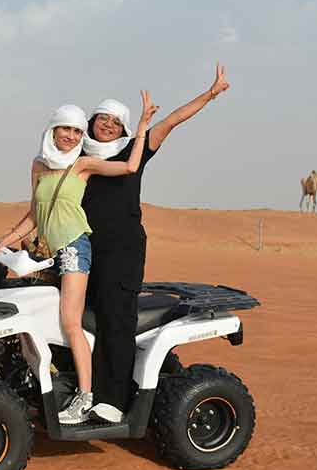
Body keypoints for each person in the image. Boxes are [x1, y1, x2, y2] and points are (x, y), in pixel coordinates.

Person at [0, 92, 159, 424]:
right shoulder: (40, 164)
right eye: (64, 129)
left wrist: (141, 127)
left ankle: (85, 397)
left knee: (70, 321)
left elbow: (130, 166)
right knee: (30, 312)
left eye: (76, 131)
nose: (69, 136)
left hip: (74, 249)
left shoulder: (82, 164)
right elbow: (35, 214)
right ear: (52, 130)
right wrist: (3, 242)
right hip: (51, 253)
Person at [82, 63, 231, 424]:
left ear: (125, 128)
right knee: (79, 318)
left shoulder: (135, 149)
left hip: (122, 250)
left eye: (115, 122)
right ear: (91, 122)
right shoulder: (76, 155)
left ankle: (112, 402)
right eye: (103, 119)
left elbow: (174, 119)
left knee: (116, 319)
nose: (107, 126)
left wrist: (210, 94)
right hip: (83, 250)